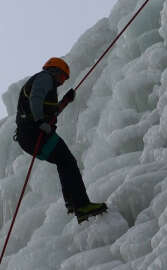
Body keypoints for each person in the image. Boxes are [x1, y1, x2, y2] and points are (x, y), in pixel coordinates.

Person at [14, 57, 107, 224]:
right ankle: (81, 204)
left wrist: (65, 101)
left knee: (64, 161)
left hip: (28, 136)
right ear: (56, 71)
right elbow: (36, 98)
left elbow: (52, 112)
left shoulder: (48, 83)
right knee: (67, 161)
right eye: (64, 77)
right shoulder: (45, 78)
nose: (63, 82)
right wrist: (40, 122)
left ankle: (73, 202)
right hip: (33, 131)